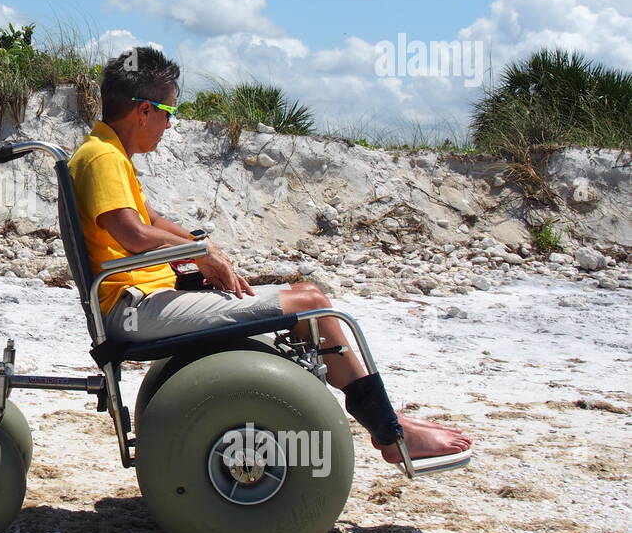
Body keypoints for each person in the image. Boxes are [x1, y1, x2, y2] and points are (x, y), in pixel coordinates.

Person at [69, 46, 472, 465]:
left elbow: (151, 218)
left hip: (146, 300)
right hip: (135, 308)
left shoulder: (108, 152)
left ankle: (387, 419)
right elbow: (132, 235)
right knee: (313, 306)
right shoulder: (102, 157)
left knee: (305, 291)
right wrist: (201, 253)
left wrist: (205, 246)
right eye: (170, 111)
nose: (171, 123)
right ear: (143, 111)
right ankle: (389, 433)